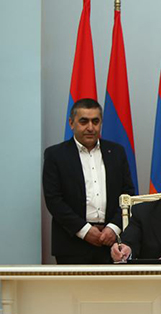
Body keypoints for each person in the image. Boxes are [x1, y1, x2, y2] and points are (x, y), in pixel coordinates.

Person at [43, 98, 135, 264]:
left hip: (112, 243)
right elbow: (54, 200)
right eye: (84, 121)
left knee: (112, 290)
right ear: (72, 123)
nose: (90, 127)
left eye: (95, 121)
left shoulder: (116, 152)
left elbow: (128, 194)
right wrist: (84, 230)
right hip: (71, 242)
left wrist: (113, 228)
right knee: (73, 291)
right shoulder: (55, 155)